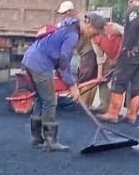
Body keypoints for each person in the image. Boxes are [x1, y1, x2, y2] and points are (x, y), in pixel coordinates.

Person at [21, 14, 95, 151]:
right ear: (89, 26)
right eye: (93, 33)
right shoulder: (73, 34)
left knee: (41, 98)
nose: (92, 36)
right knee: (50, 101)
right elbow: (64, 61)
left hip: (30, 59)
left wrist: (67, 79)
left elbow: (60, 60)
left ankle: (36, 138)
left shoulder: (66, 25)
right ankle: (50, 141)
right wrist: (72, 85)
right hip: (40, 64)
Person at [101, 0, 139, 124]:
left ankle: (112, 113)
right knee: (136, 85)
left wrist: (127, 46)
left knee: (119, 82)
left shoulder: (133, 10)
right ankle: (132, 115)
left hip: (131, 54)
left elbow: (133, 28)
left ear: (130, 0)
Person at [84, 13, 123, 110]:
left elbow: (126, 33)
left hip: (124, 57)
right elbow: (100, 56)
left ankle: (118, 109)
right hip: (111, 59)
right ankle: (105, 106)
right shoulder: (93, 38)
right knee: (103, 80)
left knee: (121, 83)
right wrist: (99, 75)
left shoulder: (112, 28)